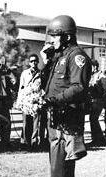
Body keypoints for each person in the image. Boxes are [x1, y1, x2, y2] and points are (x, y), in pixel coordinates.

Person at [40, 15, 92, 177]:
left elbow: (79, 87)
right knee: (56, 165)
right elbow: (47, 84)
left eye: (55, 36)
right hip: (55, 117)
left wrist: (53, 100)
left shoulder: (76, 56)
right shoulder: (58, 57)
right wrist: (46, 61)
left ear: (67, 36)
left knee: (61, 170)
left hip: (67, 118)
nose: (51, 41)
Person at [17, 54, 41, 149]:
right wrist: (20, 101)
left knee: (36, 123)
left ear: (38, 62)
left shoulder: (40, 73)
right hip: (26, 101)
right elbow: (21, 88)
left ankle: (34, 142)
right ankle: (25, 143)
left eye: (35, 61)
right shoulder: (25, 73)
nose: (33, 63)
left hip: (36, 100)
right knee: (26, 123)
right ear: (29, 63)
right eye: (31, 61)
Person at [88, 59, 106, 146]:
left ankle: (98, 139)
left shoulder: (101, 75)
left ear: (95, 66)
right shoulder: (91, 75)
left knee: (93, 118)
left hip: (98, 100)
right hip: (92, 99)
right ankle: (97, 138)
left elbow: (105, 88)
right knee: (93, 119)